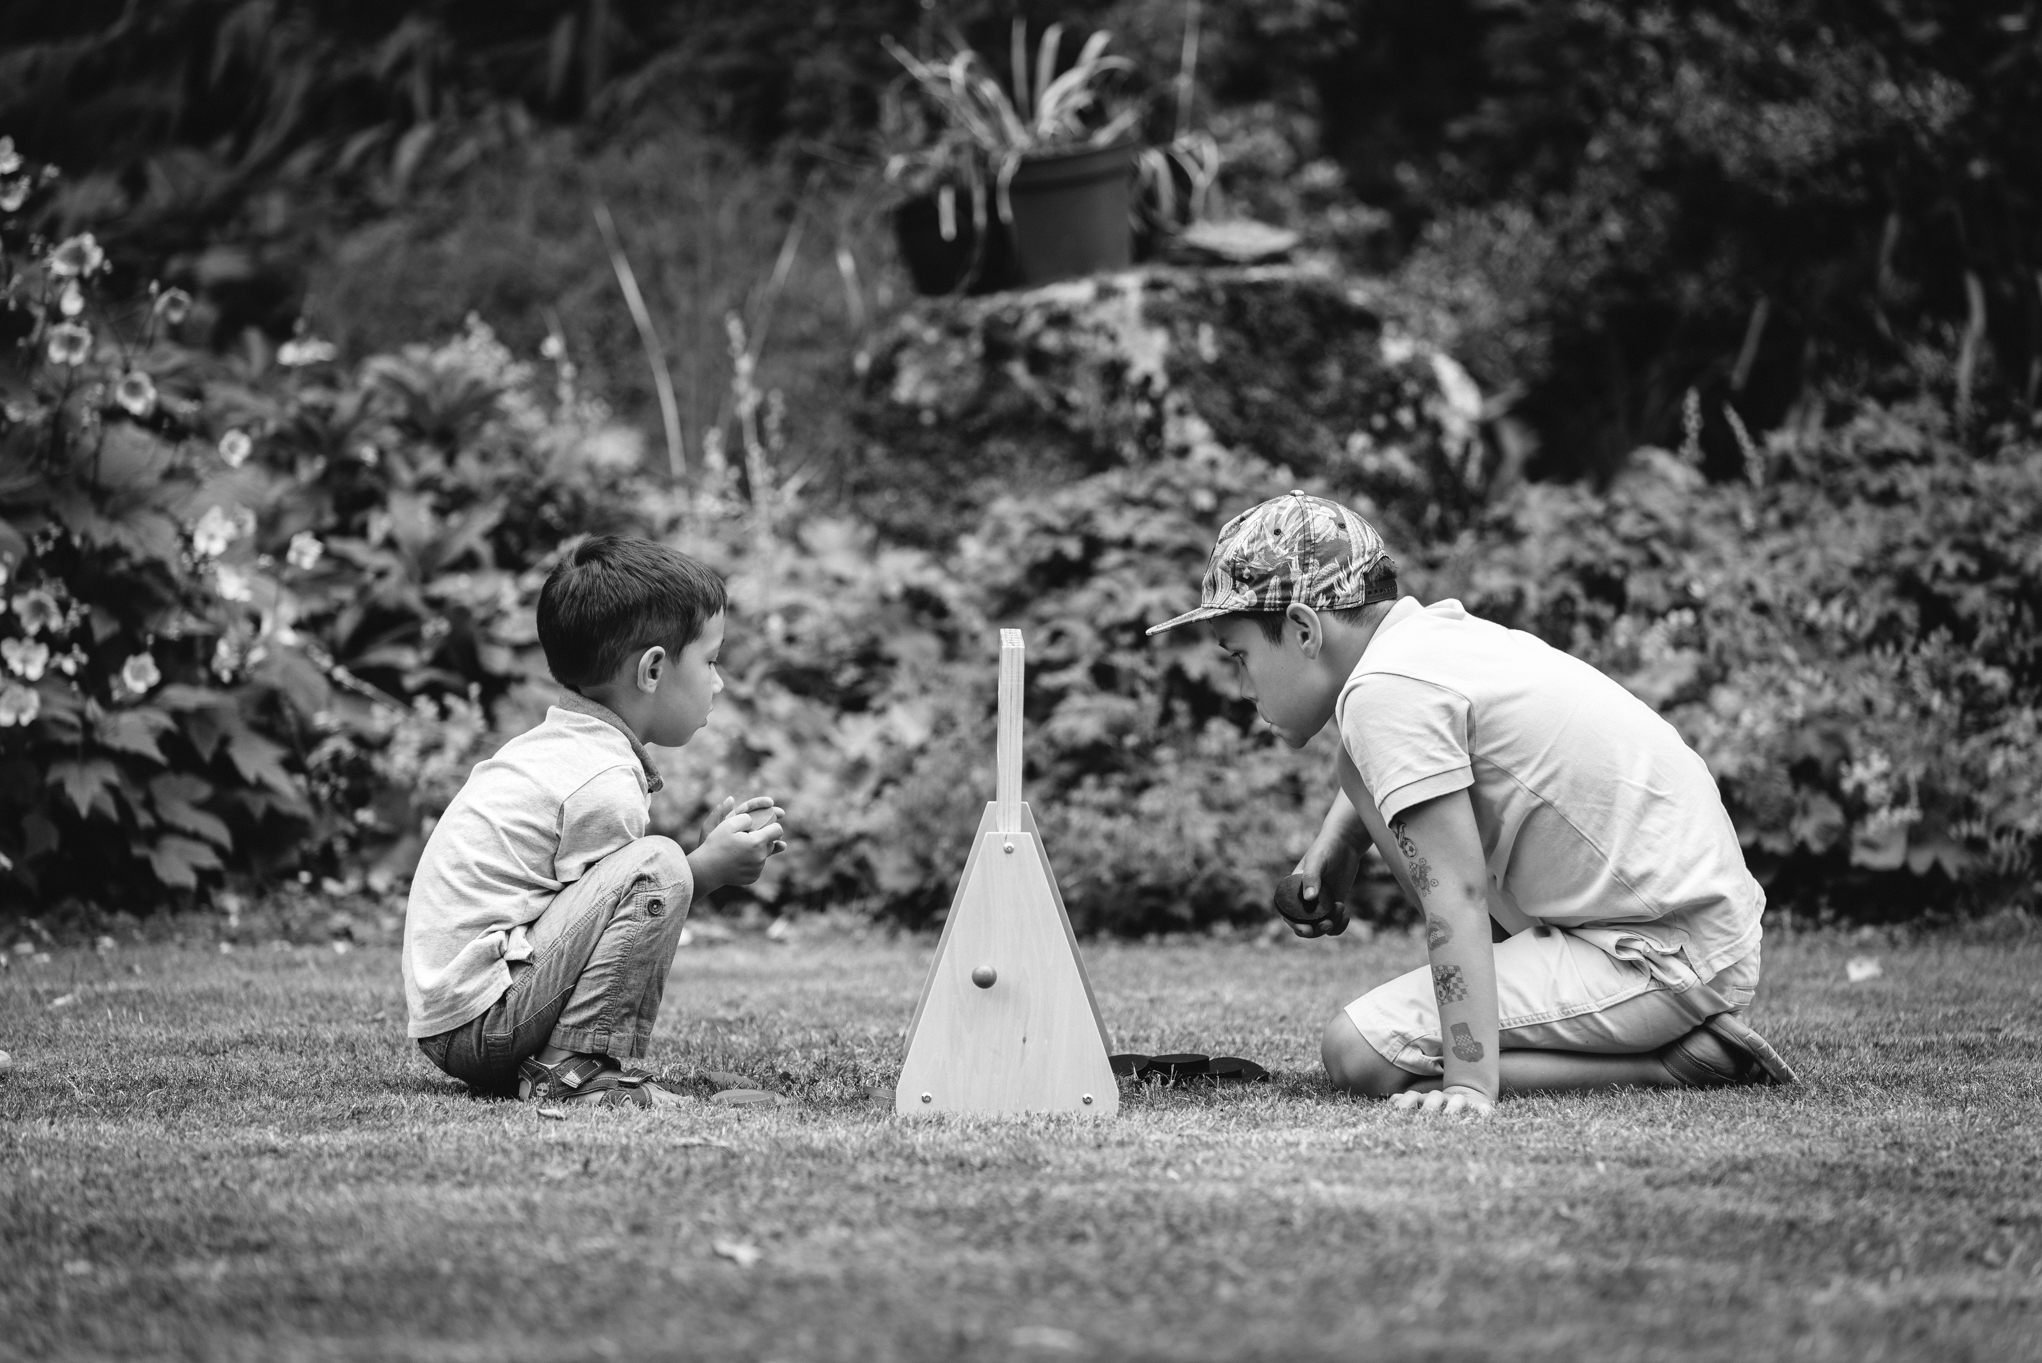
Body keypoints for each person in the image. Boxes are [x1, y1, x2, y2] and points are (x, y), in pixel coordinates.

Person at [1147, 491, 1797, 1117]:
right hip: (1688, 926)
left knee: (1363, 1051)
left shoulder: (1383, 695)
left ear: (1303, 630)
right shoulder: (1423, 647)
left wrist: (1467, 1082)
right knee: (1356, 764)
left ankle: (1682, 1063)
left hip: (1654, 951)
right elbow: (1400, 775)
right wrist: (1339, 845)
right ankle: (1655, 1036)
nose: (1240, 684)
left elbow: (1454, 894)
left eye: (1241, 656)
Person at [403, 535, 785, 1107]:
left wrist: (697, 864)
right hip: (484, 1020)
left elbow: (602, 911)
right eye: (710, 661)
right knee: (658, 860)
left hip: (455, 1020)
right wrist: (703, 868)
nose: (719, 681)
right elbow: (639, 893)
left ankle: (559, 1061)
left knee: (658, 864)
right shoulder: (599, 778)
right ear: (653, 669)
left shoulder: (563, 749)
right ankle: (572, 1071)